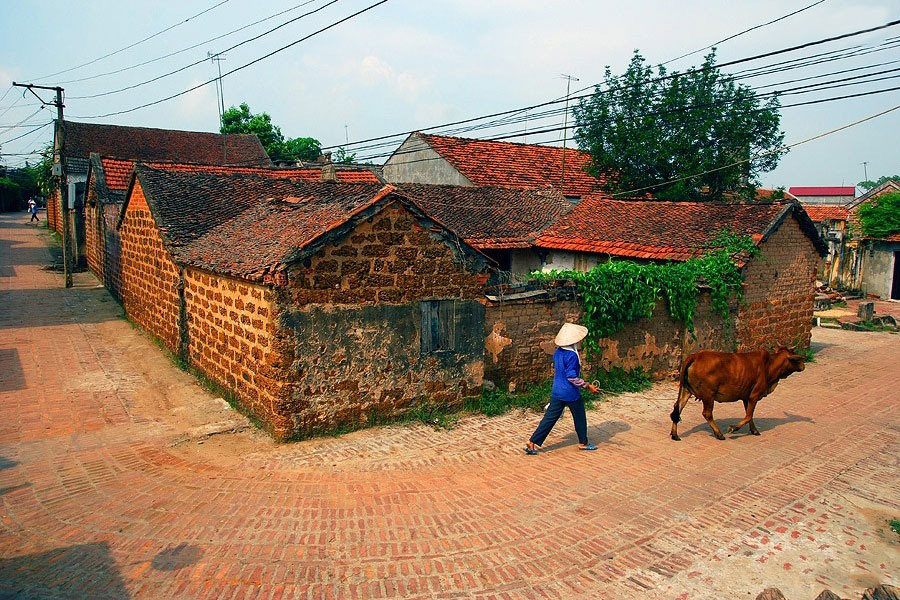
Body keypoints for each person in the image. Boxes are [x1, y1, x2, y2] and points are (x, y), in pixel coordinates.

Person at [525, 323, 599, 455]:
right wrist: (587, 385)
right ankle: (583, 443)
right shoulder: (572, 356)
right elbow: (572, 377)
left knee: (549, 418)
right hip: (570, 393)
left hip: (557, 391)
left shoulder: (558, 352)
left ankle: (532, 443)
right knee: (580, 417)